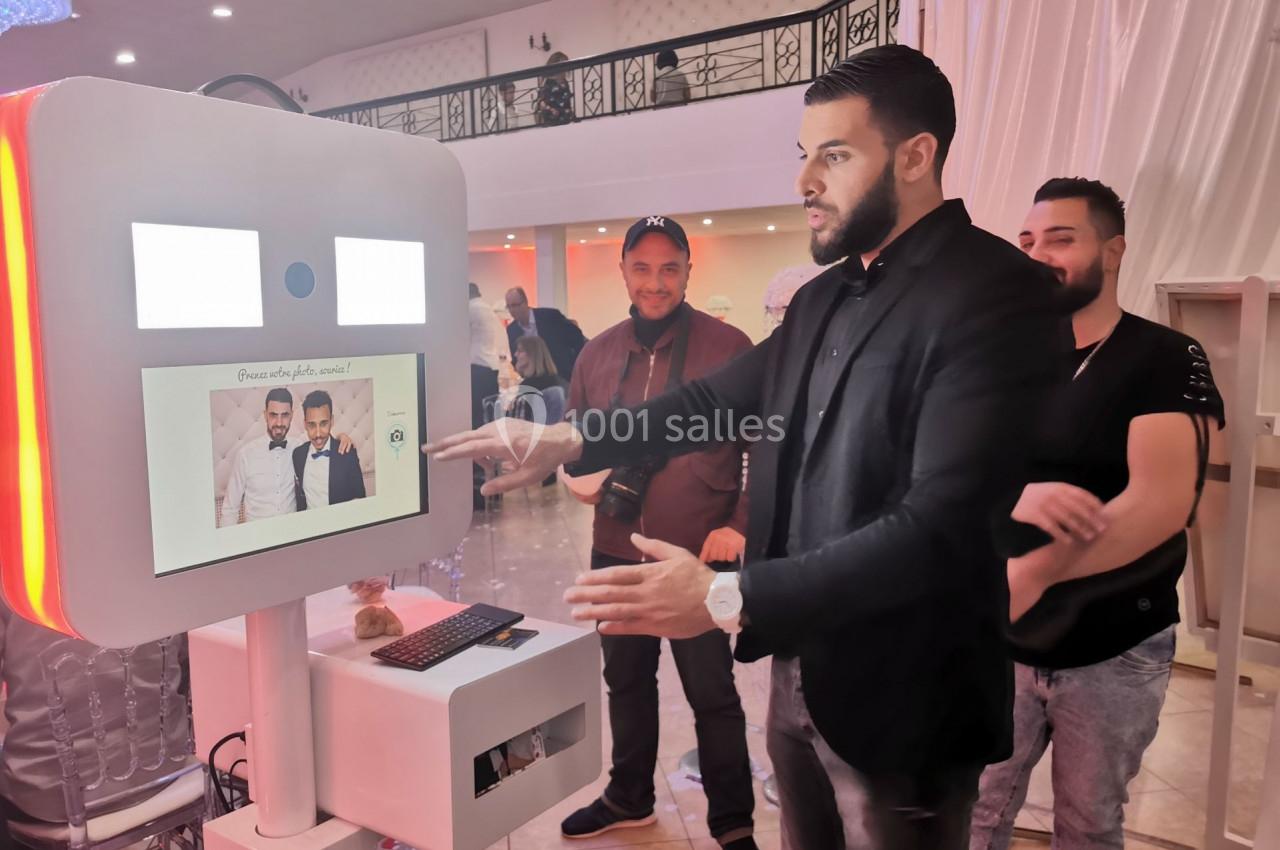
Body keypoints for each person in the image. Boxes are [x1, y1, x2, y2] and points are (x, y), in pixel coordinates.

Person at [426, 45, 1067, 849]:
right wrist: (569, 437)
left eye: (834, 156)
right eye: (804, 155)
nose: (804, 181)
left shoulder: (996, 294)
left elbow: (940, 528)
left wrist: (726, 598)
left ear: (915, 156)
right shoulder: (825, 297)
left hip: (905, 698)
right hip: (802, 674)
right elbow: (709, 402)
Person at [969, 179, 1224, 850]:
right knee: (979, 807)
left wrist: (1033, 573)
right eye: (1027, 241)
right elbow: (964, 473)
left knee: (1087, 823)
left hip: (1115, 643)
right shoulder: (1004, 361)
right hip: (1005, 635)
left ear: (1113, 252)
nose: (1036, 256)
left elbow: (1162, 503)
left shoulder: (1166, 356)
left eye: (1060, 239)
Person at [557, 215, 757, 847]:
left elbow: (768, 447)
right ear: (622, 271)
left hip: (696, 556)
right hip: (615, 548)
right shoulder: (596, 353)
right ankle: (629, 797)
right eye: (641, 268)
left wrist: (740, 526)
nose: (655, 282)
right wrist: (572, 471)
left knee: (712, 692)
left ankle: (733, 822)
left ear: (689, 271)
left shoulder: (729, 347)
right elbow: (573, 442)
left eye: (669, 268)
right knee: (625, 682)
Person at [0, 600, 190, 831]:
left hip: (48, 796)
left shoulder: (14, 583)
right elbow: (186, 658)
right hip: (167, 768)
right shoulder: (160, 577)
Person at [218, 388, 351, 527]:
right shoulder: (245, 455)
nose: (279, 423)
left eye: (285, 415)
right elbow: (229, 511)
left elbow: (322, 441)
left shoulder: (299, 449)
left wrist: (341, 437)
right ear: (265, 415)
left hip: (294, 532)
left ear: (292, 416)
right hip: (257, 534)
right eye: (273, 415)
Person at [292, 390, 366, 509]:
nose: (318, 434)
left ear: (332, 421)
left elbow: (360, 499)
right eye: (311, 425)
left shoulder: (347, 452)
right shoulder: (298, 455)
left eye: (323, 424)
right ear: (305, 424)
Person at [504, 286, 587, 380]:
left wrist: (575, 366)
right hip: (534, 378)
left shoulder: (550, 316)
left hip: (562, 374)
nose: (512, 310)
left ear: (525, 302)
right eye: (509, 307)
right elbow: (515, 357)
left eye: (515, 305)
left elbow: (576, 337)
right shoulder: (512, 329)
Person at [471, 282, 505, 508]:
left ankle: (479, 490)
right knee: (488, 428)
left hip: (477, 371)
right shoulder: (487, 309)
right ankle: (494, 488)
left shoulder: (469, 309)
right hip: (490, 370)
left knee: (476, 430)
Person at [512, 335, 569, 423]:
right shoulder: (561, 382)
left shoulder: (528, 387)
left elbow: (518, 423)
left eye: (520, 351)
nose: (515, 354)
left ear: (532, 355)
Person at [534, 52, 574, 126]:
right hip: (551, 120)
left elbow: (567, 101)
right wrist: (550, 109)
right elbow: (541, 101)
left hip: (565, 119)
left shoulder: (565, 82)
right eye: (562, 64)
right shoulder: (546, 81)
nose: (565, 69)